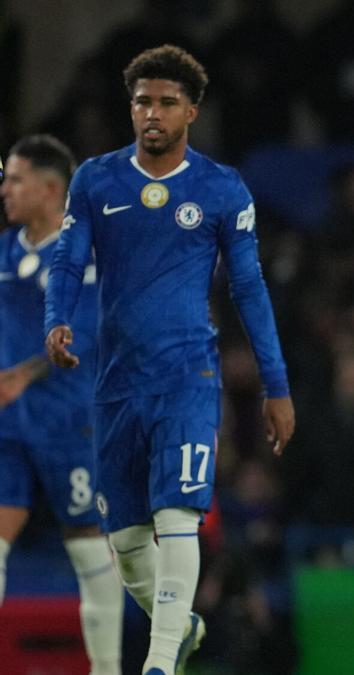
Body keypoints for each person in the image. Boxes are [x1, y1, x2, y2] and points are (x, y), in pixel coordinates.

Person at [43, 45, 295, 675]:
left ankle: (159, 663)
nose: (151, 113)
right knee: (126, 543)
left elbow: (248, 289)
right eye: (141, 101)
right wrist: (57, 321)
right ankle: (182, 627)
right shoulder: (96, 180)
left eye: (166, 103)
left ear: (192, 111)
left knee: (178, 513)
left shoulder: (220, 189)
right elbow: (68, 261)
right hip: (115, 383)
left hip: (187, 376)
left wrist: (276, 384)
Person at [0, 135, 124, 675]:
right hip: (9, 423)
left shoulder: (86, 254)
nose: (4, 189)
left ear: (51, 190)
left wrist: (24, 374)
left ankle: (107, 667)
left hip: (70, 421)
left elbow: (88, 333)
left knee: (86, 547)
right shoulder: (4, 253)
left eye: (15, 180)